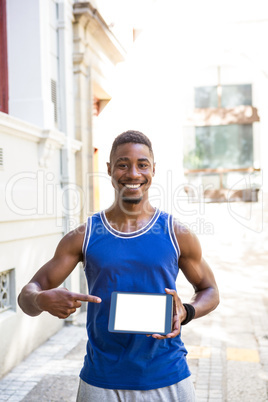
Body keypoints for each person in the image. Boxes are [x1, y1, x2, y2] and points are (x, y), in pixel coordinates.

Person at [18, 130, 219, 401]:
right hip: (102, 381)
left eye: (142, 164)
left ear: (153, 170)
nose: (133, 173)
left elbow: (210, 290)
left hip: (168, 374)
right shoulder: (84, 235)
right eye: (123, 164)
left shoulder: (176, 233)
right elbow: (26, 297)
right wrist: (42, 299)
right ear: (110, 169)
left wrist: (187, 312)